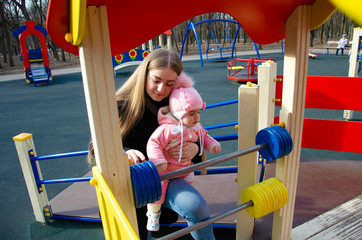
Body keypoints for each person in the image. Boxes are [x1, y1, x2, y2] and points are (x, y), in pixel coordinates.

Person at [89, 48, 215, 239]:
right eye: (156, 80)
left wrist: (196, 149)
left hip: (167, 176)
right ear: (144, 74)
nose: (161, 89)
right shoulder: (121, 106)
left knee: (195, 205)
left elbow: (193, 135)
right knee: (135, 232)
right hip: (131, 183)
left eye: (169, 84)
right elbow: (95, 148)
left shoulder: (177, 106)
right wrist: (123, 152)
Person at [145, 72, 221, 232]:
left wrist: (212, 145)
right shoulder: (169, 129)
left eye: (198, 112)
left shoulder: (195, 127)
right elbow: (154, 142)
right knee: (158, 190)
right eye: (192, 114)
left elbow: (204, 136)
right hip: (165, 170)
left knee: (190, 182)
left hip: (184, 169)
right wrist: (158, 161)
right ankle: (153, 214)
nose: (197, 118)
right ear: (179, 114)